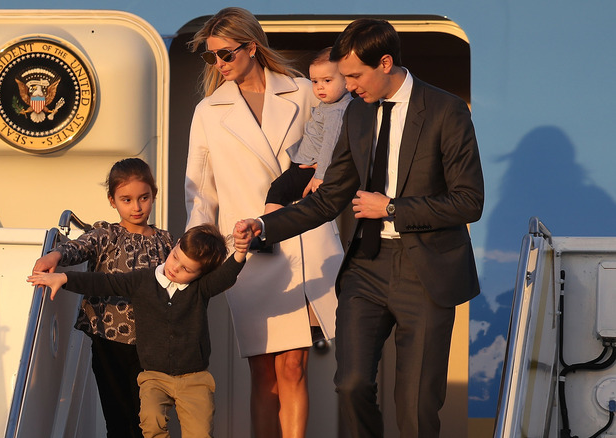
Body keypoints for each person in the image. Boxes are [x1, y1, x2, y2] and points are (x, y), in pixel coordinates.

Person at [236, 18, 485, 438]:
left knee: (416, 405)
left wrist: (390, 208)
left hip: (426, 272)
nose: (348, 86)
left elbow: (468, 202)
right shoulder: (356, 113)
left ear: (385, 63)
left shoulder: (446, 110)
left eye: (354, 75)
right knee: (350, 384)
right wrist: (263, 225)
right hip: (366, 268)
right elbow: (329, 197)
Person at [185, 7, 342, 438]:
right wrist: (198, 253)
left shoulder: (306, 92)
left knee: (294, 366)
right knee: (263, 372)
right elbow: (200, 192)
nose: (218, 63)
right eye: (211, 56)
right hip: (249, 251)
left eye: (225, 53)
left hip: (307, 241)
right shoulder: (208, 111)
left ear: (251, 47)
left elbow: (335, 152)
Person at [28, 224, 250, 438]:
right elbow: (106, 282)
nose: (175, 268)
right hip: (154, 376)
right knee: (150, 422)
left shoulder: (201, 289)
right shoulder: (143, 280)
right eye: (175, 257)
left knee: (200, 432)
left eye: (186, 269)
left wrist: (240, 253)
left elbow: (225, 276)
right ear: (177, 244)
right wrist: (64, 278)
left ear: (201, 274)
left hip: (194, 377)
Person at [31, 158, 173, 438]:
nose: (136, 207)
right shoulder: (106, 235)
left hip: (151, 342)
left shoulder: (166, 241)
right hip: (108, 339)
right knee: (118, 416)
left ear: (154, 195)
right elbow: (78, 247)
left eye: (144, 198)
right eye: (127, 199)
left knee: (149, 417)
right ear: (112, 200)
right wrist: (54, 255)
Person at [264, 47, 352, 214]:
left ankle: (264, 232)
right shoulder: (330, 105)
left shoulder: (337, 111)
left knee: (277, 191)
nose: (320, 87)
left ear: (346, 80)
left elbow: (330, 143)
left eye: (327, 81)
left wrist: (321, 175)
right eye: (315, 81)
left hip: (312, 169)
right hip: (309, 165)